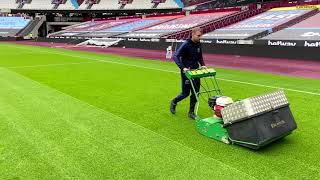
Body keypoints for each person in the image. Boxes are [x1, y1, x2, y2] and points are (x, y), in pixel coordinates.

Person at [170, 27, 206, 120]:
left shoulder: (198, 44)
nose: (199, 37)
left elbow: (200, 56)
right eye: (198, 36)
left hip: (196, 72)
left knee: (196, 93)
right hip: (187, 73)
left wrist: (203, 65)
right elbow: (176, 56)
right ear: (193, 34)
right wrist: (183, 68)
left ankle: (191, 112)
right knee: (185, 93)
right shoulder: (186, 44)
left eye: (200, 35)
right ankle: (174, 101)